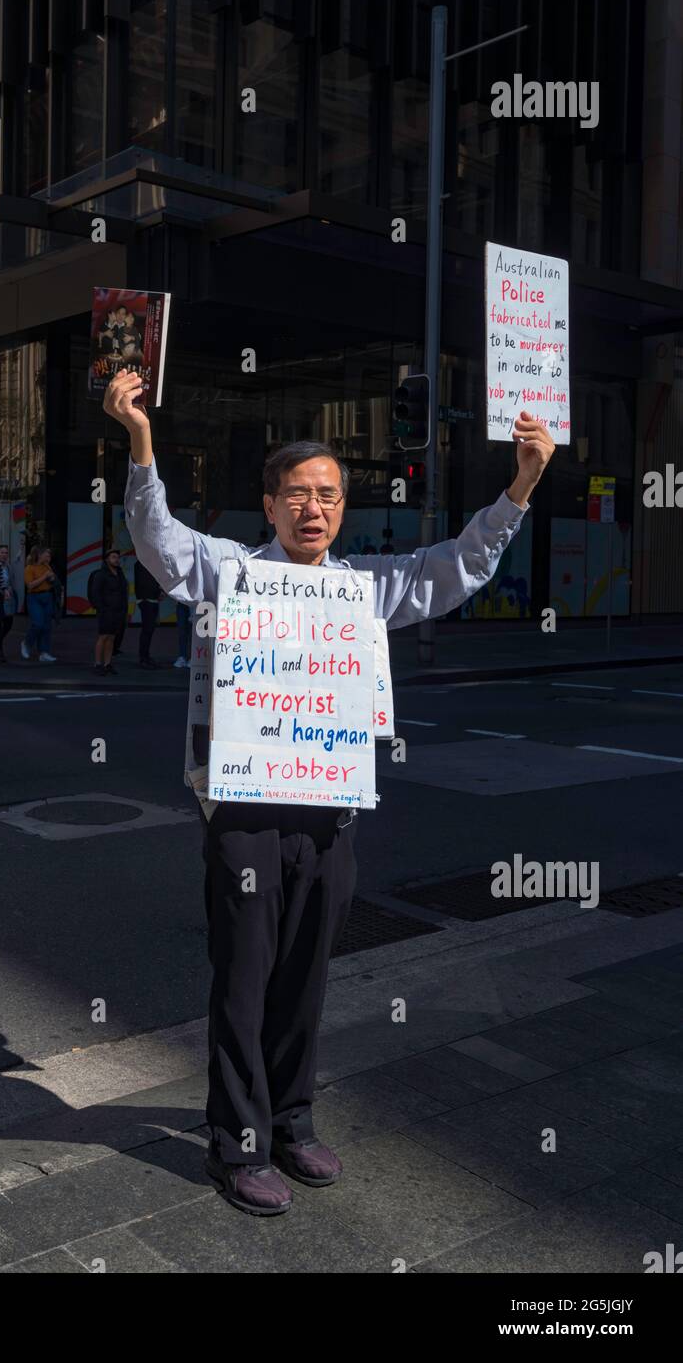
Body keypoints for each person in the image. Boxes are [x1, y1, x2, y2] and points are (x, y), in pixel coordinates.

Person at [105, 369, 555, 1217]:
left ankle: (289, 1122)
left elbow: (456, 568)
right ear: (268, 505)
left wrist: (521, 486)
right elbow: (156, 536)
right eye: (297, 495)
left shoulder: (362, 588)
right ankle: (234, 1145)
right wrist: (139, 445)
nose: (313, 509)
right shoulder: (228, 572)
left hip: (329, 812)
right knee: (243, 979)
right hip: (241, 815)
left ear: (341, 508)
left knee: (305, 979)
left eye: (329, 495)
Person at [88, 548, 128, 675]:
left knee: (112, 637)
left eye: (117, 557)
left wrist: (123, 609)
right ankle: (98, 664)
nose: (116, 560)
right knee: (103, 636)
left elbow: (123, 591)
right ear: (107, 559)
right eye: (113, 557)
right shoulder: (101, 574)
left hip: (118, 611)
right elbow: (95, 593)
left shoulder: (120, 573)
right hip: (106, 611)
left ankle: (107, 663)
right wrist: (101, 608)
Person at [22, 546, 58, 663]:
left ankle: (44, 652)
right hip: (34, 597)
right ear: (39, 555)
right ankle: (26, 643)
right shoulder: (29, 568)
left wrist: (52, 578)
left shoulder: (46, 566)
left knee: (47, 626)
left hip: (47, 596)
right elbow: (30, 585)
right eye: (46, 554)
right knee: (38, 624)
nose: (48, 557)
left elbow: (52, 580)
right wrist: (45, 577)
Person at [133, 556, 163, 669]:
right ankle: (143, 657)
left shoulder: (151, 563)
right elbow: (145, 583)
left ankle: (146, 656)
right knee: (147, 630)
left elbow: (155, 580)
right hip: (147, 600)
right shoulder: (141, 563)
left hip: (152, 599)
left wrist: (159, 592)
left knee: (149, 630)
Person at [0, 544, 24, 657]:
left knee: (8, 623)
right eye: (2, 552)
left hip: (8, 598)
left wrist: (21, 550)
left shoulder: (8, 566)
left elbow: (16, 561)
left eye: (6, 553)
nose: (4, 555)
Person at [174, 601, 192, 669]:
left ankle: (192, 657)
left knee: (192, 631)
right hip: (181, 602)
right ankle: (182, 657)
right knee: (182, 631)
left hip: (194, 602)